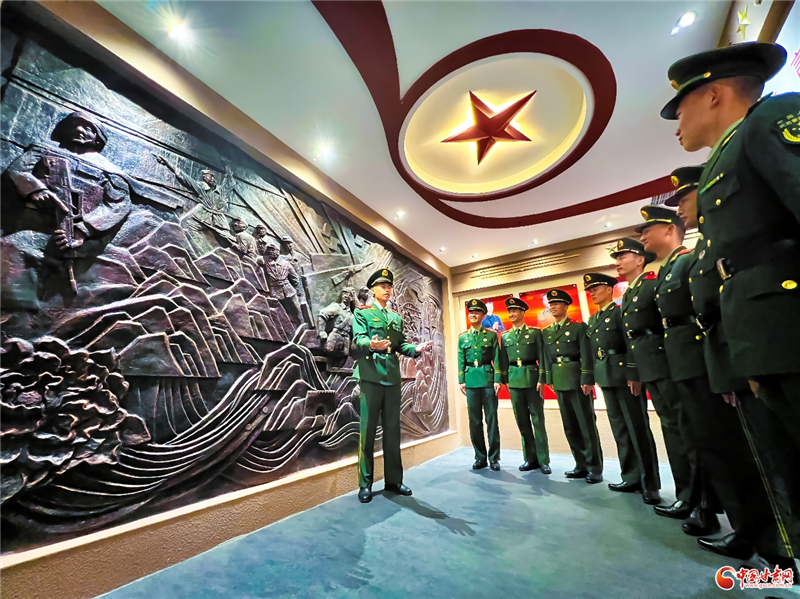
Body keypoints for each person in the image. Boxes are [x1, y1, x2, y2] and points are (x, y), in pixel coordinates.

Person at [661, 41, 800, 453]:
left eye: (679, 111)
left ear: (713, 94)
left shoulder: (769, 119)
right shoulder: (723, 158)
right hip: (764, 336)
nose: (677, 125)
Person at [667, 166, 798, 566]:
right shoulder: (704, 250)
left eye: (685, 198)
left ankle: (780, 554)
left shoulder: (724, 241)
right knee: (737, 455)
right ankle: (753, 535)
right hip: (722, 361)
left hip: (744, 357)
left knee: (767, 458)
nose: (680, 208)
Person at [637, 205, 720, 535]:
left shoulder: (686, 261)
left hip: (694, 358)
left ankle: (704, 504)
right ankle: (691, 498)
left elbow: (703, 312)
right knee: (686, 432)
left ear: (670, 230)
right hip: (675, 359)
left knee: (701, 436)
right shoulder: (666, 269)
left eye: (648, 229)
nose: (643, 236)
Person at [612, 238, 696, 520]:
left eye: (623, 256)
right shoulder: (629, 293)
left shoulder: (651, 285)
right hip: (649, 366)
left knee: (681, 430)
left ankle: (694, 498)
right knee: (671, 429)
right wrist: (634, 371)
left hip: (664, 363)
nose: (618, 262)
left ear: (640, 259)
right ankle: (687, 496)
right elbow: (631, 338)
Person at [351, 269, 433, 503]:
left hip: (392, 378)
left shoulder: (396, 318)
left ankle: (394, 481)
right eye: (382, 286)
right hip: (371, 376)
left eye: (389, 286)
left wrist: (415, 349)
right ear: (373, 289)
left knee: (393, 431)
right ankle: (365, 483)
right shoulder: (363, 313)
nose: (387, 290)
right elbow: (358, 339)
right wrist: (371, 344)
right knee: (367, 432)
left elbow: (401, 345)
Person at [583, 273, 661, 505]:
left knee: (637, 429)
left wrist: (634, 373)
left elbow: (630, 343)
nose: (592, 293)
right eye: (590, 290)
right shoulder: (593, 319)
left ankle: (650, 484)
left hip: (625, 377)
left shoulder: (619, 312)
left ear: (609, 289)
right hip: (607, 377)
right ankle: (630, 477)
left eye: (596, 288)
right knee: (620, 430)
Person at [541, 289, 603, 483]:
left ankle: (594, 467)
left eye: (556, 303)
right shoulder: (547, 332)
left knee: (586, 424)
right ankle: (580, 464)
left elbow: (586, 353)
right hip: (560, 380)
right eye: (551, 304)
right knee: (570, 426)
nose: (552, 307)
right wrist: (549, 379)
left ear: (566, 306)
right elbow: (546, 358)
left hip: (577, 380)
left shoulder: (578, 328)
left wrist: (587, 378)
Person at [500, 297, 551, 474]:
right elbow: (503, 359)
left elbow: (542, 356)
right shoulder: (505, 336)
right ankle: (530, 459)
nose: (511, 314)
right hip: (514, 380)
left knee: (538, 420)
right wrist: (505, 380)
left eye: (514, 311)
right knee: (522, 421)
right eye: (509, 311)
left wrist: (542, 379)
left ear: (522, 312)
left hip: (532, 379)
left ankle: (543, 460)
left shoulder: (535, 333)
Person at [458, 299, 503, 471]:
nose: (473, 315)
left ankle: (494, 457)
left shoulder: (491, 335)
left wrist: (497, 379)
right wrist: (461, 380)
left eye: (477, 312)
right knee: (474, 421)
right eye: (471, 312)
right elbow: (461, 359)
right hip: (471, 381)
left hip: (488, 380)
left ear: (484, 315)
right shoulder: (463, 337)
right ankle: (480, 457)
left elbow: (497, 358)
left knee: (492, 420)